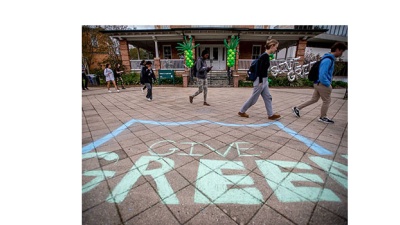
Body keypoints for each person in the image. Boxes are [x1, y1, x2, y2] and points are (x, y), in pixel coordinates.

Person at [292, 42, 347, 124]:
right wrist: (328, 84)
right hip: (322, 84)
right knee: (327, 101)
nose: (341, 54)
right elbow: (322, 74)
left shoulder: (327, 58)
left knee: (314, 99)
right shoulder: (328, 60)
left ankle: (297, 108)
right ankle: (323, 117)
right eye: (341, 51)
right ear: (337, 49)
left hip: (318, 83)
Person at [237, 39, 281, 120]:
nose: (276, 49)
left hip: (264, 80)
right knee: (253, 99)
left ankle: (270, 115)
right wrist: (261, 82)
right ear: (272, 46)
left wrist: (265, 81)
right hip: (260, 80)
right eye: (276, 47)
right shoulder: (264, 56)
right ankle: (242, 111)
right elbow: (259, 70)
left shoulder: (265, 56)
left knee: (268, 97)